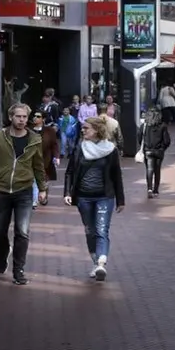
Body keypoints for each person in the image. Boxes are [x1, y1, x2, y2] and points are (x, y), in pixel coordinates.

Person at [0, 103, 48, 285]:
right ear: (11, 117)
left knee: (23, 232)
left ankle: (18, 270)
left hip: (24, 191)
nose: (22, 120)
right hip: (1, 191)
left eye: (25, 117)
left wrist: (42, 189)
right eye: (18, 116)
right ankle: (4, 252)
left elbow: (38, 166)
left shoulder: (34, 139)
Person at [64, 117, 125, 281]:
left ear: (97, 130)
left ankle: (101, 263)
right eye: (82, 128)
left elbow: (116, 175)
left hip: (104, 196)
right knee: (89, 230)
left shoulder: (110, 150)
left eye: (86, 128)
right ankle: (95, 261)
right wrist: (67, 193)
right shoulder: (79, 148)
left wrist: (120, 200)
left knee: (101, 230)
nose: (82, 131)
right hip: (84, 197)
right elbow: (70, 171)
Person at [137, 107, 171, 198]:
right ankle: (156, 190)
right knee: (157, 170)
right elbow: (167, 140)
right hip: (159, 151)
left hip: (148, 150)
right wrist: (163, 148)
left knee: (149, 169)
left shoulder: (144, 126)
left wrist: (144, 147)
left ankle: (149, 188)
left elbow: (140, 138)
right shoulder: (163, 126)